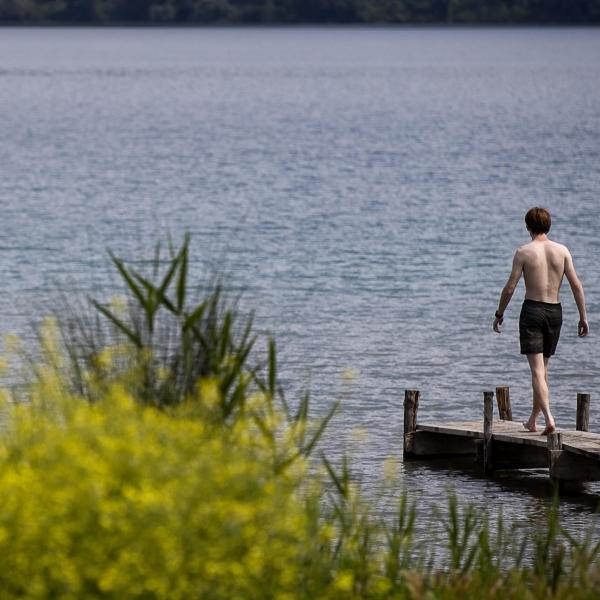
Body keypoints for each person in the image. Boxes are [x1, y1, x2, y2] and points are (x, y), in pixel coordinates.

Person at [493, 207, 589, 436]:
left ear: (528, 227)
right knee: (543, 371)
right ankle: (533, 420)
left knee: (536, 371)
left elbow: (510, 287)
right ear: (549, 226)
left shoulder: (524, 252)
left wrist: (499, 313)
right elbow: (576, 285)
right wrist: (583, 316)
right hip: (555, 312)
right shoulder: (562, 250)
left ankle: (548, 418)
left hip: (533, 311)